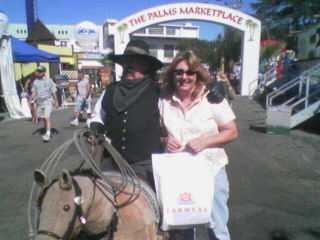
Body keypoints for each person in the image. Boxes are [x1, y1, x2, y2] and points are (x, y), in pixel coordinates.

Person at [159, 51, 238, 240]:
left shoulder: (211, 97)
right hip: (178, 173)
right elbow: (158, 131)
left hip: (211, 170)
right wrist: (164, 140)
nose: (184, 77)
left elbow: (232, 131)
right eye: (179, 72)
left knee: (217, 226)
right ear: (172, 75)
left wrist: (204, 141)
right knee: (183, 226)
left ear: (197, 75)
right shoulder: (163, 98)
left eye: (190, 72)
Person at [88, 39, 164, 186]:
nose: (129, 66)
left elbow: (185, 96)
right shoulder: (110, 90)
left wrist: (212, 86)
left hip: (146, 167)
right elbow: (97, 116)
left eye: (135, 62)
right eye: (127, 62)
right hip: (112, 163)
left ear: (146, 66)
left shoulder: (158, 93)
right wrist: (95, 126)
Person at [30, 66, 59, 142]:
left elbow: (53, 91)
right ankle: (46, 131)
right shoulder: (36, 81)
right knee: (43, 118)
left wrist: (56, 101)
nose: (38, 73)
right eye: (38, 71)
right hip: (40, 102)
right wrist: (30, 99)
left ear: (44, 72)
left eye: (40, 71)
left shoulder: (49, 80)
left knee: (46, 118)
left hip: (47, 100)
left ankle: (48, 134)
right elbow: (34, 92)